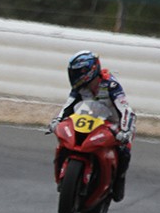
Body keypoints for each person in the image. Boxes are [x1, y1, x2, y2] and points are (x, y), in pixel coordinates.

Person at [48, 50, 136, 201]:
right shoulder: (80, 88)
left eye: (77, 72)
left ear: (89, 70)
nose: (74, 76)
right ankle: (63, 172)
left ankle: (119, 180)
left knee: (124, 150)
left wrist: (126, 131)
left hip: (114, 123)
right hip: (88, 120)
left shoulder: (111, 84)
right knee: (65, 138)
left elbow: (125, 109)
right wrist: (56, 121)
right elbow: (68, 106)